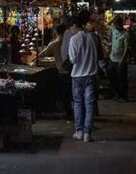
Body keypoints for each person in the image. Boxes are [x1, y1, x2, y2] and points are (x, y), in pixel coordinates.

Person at [68, 9, 100, 142]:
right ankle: (87, 133)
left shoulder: (74, 39)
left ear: (74, 25)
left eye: (70, 28)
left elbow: (73, 59)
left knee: (78, 104)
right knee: (90, 105)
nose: (70, 31)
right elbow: (98, 55)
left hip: (77, 76)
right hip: (91, 75)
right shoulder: (93, 37)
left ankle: (79, 131)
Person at [38, 24, 74, 120]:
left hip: (61, 71)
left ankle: (69, 114)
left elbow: (42, 54)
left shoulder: (55, 43)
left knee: (64, 95)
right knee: (70, 94)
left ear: (55, 31)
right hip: (71, 70)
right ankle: (72, 113)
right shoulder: (71, 42)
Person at [108, 16, 131, 101]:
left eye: (117, 24)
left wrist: (122, 60)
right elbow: (109, 24)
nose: (115, 26)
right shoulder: (114, 31)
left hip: (120, 60)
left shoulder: (125, 34)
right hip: (112, 58)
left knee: (122, 79)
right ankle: (117, 94)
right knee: (112, 76)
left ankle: (124, 96)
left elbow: (126, 48)